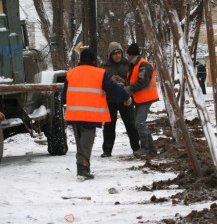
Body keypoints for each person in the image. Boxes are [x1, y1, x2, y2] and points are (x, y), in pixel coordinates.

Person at [61, 48, 131, 180]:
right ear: (93, 60)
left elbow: (64, 95)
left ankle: (83, 168)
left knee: (81, 143)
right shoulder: (99, 73)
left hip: (74, 114)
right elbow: (112, 88)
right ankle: (82, 169)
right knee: (86, 143)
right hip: (89, 115)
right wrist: (125, 97)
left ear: (81, 60)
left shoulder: (71, 73)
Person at [101, 42, 140, 157]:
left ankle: (136, 148)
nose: (117, 55)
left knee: (131, 125)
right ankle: (107, 151)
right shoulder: (104, 67)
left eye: (119, 53)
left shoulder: (128, 65)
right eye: (114, 53)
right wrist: (110, 81)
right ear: (110, 55)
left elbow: (133, 80)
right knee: (108, 126)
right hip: (109, 100)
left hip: (125, 100)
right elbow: (100, 83)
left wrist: (124, 83)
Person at [125, 43, 159, 157]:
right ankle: (151, 148)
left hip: (146, 98)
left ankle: (145, 149)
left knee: (140, 123)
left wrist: (129, 89)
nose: (127, 57)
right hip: (140, 98)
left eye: (128, 55)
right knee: (140, 123)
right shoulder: (136, 65)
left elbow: (142, 82)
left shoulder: (143, 65)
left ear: (131, 55)